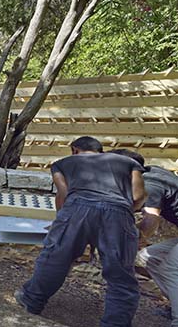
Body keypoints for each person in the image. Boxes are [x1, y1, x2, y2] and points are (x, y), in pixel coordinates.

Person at [15, 136, 146, 327]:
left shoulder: (63, 164)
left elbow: (64, 194)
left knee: (55, 258)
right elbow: (139, 196)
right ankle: (116, 323)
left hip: (76, 211)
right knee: (121, 273)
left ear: (75, 149)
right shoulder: (128, 162)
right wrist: (121, 214)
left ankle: (31, 300)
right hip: (118, 214)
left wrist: (62, 224)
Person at [112, 149, 178, 325]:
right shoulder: (152, 171)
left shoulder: (150, 185)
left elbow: (151, 220)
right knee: (150, 257)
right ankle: (175, 304)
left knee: (171, 267)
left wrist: (133, 238)